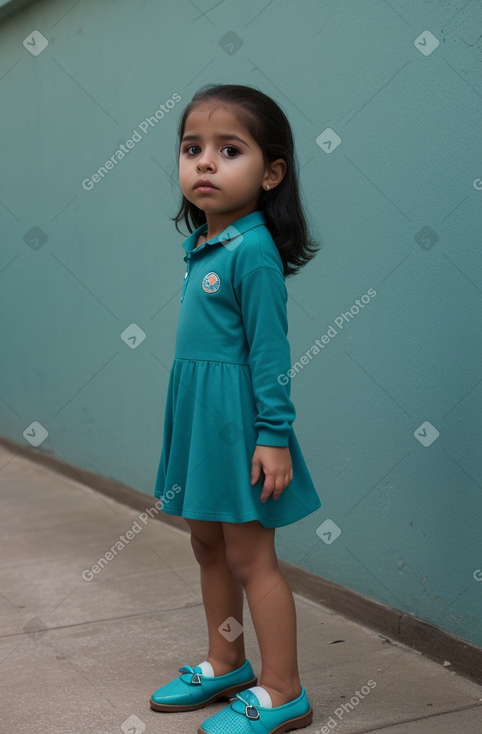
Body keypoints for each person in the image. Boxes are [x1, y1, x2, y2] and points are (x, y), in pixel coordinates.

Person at [150, 83, 322, 734]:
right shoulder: (203, 245)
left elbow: (270, 356)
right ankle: (226, 659)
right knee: (206, 546)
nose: (204, 163)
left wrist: (273, 435)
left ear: (271, 173)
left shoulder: (252, 252)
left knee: (252, 559)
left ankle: (284, 691)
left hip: (241, 428)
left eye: (229, 149)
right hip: (198, 422)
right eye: (192, 148)